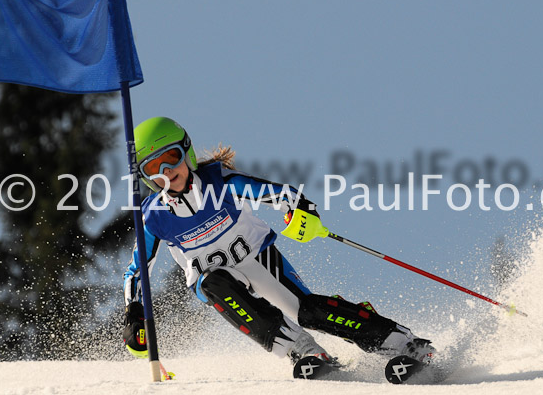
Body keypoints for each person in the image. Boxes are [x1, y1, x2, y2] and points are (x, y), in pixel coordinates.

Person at [122, 117, 435, 370]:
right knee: (214, 284)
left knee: (306, 311)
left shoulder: (219, 182)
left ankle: (401, 342)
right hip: (214, 279)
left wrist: (299, 210)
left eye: (171, 159)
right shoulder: (153, 217)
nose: (166, 172)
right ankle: (304, 352)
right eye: (154, 168)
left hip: (256, 258)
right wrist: (134, 311)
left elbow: (279, 194)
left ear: (186, 152)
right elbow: (136, 272)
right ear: (146, 177)